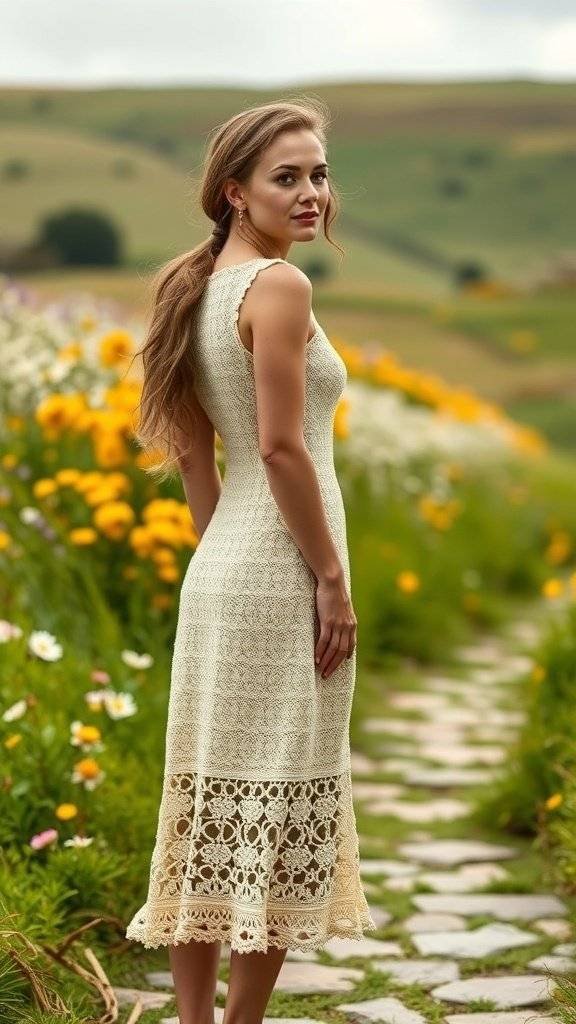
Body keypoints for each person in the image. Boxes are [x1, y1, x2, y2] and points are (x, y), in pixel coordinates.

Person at [125, 96, 376, 1024]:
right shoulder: (279, 289)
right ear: (235, 191)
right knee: (267, 808)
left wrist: (220, 557)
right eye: (287, 176)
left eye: (317, 173)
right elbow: (279, 449)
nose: (312, 192)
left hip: (222, 569)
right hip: (284, 570)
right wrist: (330, 580)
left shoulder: (189, 285)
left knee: (208, 810)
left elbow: (193, 449)